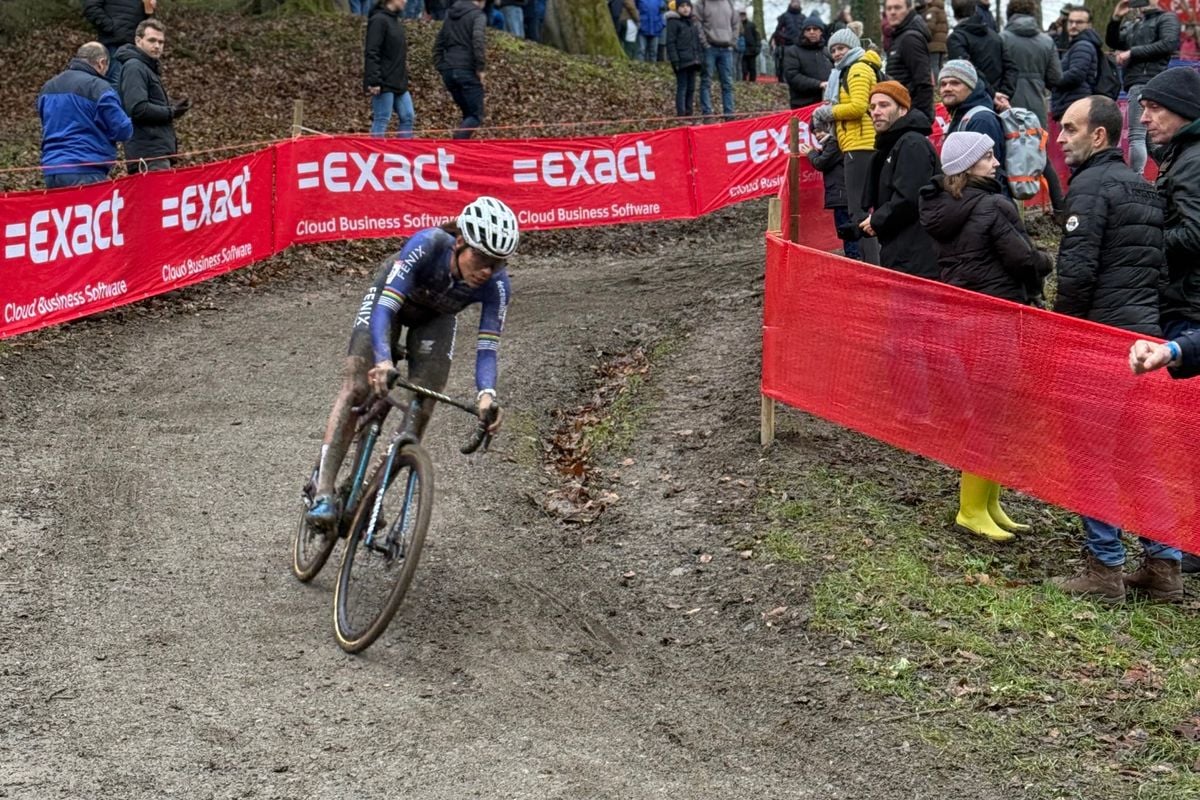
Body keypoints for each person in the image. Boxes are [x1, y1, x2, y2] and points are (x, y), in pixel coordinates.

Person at [305, 197, 517, 530]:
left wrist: (486, 394)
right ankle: (323, 493)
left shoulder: (497, 287)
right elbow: (386, 310)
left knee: (423, 403)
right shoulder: (428, 244)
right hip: (389, 303)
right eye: (481, 257)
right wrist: (385, 360)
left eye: (498, 263)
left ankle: (368, 498)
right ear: (460, 242)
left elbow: (488, 348)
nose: (488, 270)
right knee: (359, 386)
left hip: (436, 319)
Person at [1047, 95, 1179, 602]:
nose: (1061, 139)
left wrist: (1059, 336)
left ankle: (1104, 568)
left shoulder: (1090, 187)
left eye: (1071, 130)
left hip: (1099, 341)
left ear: (1099, 135)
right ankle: (1163, 564)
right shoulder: (1145, 190)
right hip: (1143, 341)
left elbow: (1077, 275)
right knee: (1140, 454)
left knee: (1091, 455)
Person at [919, 131, 1053, 543]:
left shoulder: (943, 206)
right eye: (988, 156)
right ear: (968, 166)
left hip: (962, 317)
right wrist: (1046, 260)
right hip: (994, 318)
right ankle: (972, 508)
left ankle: (987, 503)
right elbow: (1021, 258)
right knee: (993, 412)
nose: (996, 162)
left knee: (984, 410)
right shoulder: (993, 204)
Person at [1143, 68, 1200, 377]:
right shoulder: (1183, 153)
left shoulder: (1194, 161)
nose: (1143, 118)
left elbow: (1196, 234)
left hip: (1191, 308)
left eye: (1154, 107)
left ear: (1183, 110)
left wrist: (1147, 241)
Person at [857, 82, 939, 277]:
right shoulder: (892, 145)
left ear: (902, 110)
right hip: (900, 250)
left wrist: (876, 221)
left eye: (884, 105)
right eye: (872, 107)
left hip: (917, 255)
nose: (876, 112)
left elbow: (910, 197)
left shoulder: (911, 143)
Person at [37, 42, 133, 188]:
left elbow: (45, 122)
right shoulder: (98, 87)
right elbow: (123, 130)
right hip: (87, 167)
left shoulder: (48, 87)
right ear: (102, 63)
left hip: (51, 169)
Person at [825, 27, 883, 264]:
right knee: (868, 207)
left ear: (853, 47)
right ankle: (877, 260)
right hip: (859, 143)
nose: (837, 53)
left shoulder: (857, 68)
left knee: (858, 210)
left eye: (841, 48)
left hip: (860, 144)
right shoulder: (849, 69)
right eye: (834, 50)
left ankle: (872, 264)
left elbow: (859, 106)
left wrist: (828, 112)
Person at [1107, 0, 1182, 177]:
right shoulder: (1134, 23)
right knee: (1151, 140)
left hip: (1149, 81)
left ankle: (1136, 179)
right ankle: (1173, 174)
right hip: (1137, 81)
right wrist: (1116, 17)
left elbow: (1168, 44)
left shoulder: (1166, 18)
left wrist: (1132, 52)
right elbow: (1113, 41)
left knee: (1137, 135)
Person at [1001, 0, 1063, 212]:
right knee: (1041, 159)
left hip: (1006, 105)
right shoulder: (1046, 41)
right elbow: (1056, 78)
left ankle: (1010, 214)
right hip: (1036, 106)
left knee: (1003, 157)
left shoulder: (1002, 39)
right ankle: (1061, 210)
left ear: (1010, 14)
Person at [116, 18, 186, 172]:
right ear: (138, 40)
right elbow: (138, 108)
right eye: (152, 40)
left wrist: (171, 105)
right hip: (148, 154)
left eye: (161, 42)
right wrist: (171, 111)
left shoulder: (147, 67)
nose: (157, 46)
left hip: (155, 152)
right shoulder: (135, 67)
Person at [939, 60, 1008, 191]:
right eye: (943, 84)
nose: (947, 88)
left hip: (986, 205)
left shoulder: (981, 119)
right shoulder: (961, 115)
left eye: (955, 83)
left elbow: (987, 175)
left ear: (971, 86)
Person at [800, 113, 861, 260]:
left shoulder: (834, 142)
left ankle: (854, 258)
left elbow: (821, 163)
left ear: (829, 127)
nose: (818, 135)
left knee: (847, 228)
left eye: (820, 130)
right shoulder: (832, 144)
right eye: (815, 133)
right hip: (842, 194)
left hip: (841, 195)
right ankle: (854, 256)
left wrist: (811, 153)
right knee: (846, 227)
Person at [435, 0, 487, 139]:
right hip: (466, 70)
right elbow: (478, 41)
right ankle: (456, 144)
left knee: (468, 114)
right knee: (476, 115)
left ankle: (462, 150)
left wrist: (442, 66)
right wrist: (480, 68)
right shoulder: (478, 15)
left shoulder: (449, 14)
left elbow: (439, 43)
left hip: (449, 71)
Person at [946, 0, 1016, 105]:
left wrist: (994, 95)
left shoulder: (955, 39)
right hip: (998, 102)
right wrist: (1004, 95)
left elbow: (967, 71)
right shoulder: (995, 36)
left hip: (971, 103)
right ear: (975, 9)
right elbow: (1011, 68)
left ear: (953, 12)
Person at [365, 0, 415, 138]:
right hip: (383, 80)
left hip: (398, 80)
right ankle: (375, 155)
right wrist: (374, 80)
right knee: (382, 119)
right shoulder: (378, 20)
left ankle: (403, 153)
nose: (406, 1)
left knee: (408, 116)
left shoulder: (395, 21)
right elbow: (372, 51)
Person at [82, 0, 155, 88]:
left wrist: (149, 10)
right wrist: (109, 27)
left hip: (135, 44)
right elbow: (91, 7)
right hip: (115, 43)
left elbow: (144, 14)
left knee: (132, 84)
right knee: (115, 81)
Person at [884, 0, 934, 121]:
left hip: (911, 115)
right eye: (889, 9)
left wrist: (920, 118)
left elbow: (923, 81)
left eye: (897, 8)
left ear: (908, 9)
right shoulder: (898, 36)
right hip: (903, 111)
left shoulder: (910, 39)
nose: (892, 12)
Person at [1050, 6, 1101, 122]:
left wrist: (1052, 79)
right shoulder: (1077, 44)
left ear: (1089, 25)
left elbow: (1076, 74)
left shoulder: (1083, 45)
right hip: (1072, 102)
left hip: (1075, 104)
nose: (1073, 25)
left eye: (1079, 22)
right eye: (1071, 22)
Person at [696, 0, 737, 119]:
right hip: (710, 47)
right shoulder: (702, 3)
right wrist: (704, 43)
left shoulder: (729, 2)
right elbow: (697, 23)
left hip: (726, 49)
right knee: (706, 81)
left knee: (728, 83)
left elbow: (735, 24)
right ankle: (707, 114)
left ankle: (729, 114)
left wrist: (733, 42)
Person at [781, 15, 832, 109]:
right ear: (803, 32)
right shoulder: (793, 51)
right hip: (802, 105)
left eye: (815, 29)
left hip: (826, 102)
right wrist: (818, 84)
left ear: (821, 31)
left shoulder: (827, 52)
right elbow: (792, 76)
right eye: (808, 29)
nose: (811, 32)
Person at [665, 0, 704, 117]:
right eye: (682, 6)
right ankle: (681, 113)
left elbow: (697, 42)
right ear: (677, 8)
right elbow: (670, 43)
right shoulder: (673, 23)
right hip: (681, 60)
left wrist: (700, 58)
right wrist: (675, 60)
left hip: (693, 60)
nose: (685, 8)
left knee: (691, 87)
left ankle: (689, 111)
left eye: (688, 6)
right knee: (682, 86)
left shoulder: (693, 22)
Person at [923, 0, 949, 80]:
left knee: (933, 66)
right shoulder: (942, 10)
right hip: (942, 44)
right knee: (940, 66)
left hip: (933, 44)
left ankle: (937, 87)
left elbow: (929, 28)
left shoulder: (932, 11)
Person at [739, 9, 761, 81]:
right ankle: (743, 83)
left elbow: (757, 37)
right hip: (742, 50)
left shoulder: (752, 25)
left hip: (752, 50)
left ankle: (752, 83)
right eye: (741, 15)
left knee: (752, 68)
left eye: (743, 15)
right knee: (743, 69)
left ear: (746, 15)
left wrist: (758, 47)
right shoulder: (737, 25)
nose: (742, 16)